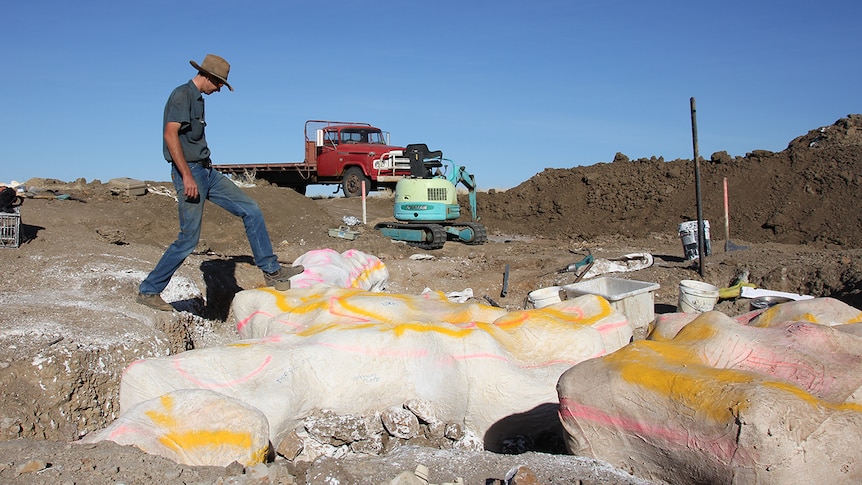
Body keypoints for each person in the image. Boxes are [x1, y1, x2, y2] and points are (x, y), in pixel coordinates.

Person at [137, 54, 302, 311]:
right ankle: (149, 290)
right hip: (189, 172)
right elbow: (170, 135)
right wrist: (187, 176)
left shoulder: (199, 100)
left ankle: (272, 272)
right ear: (209, 77)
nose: (220, 89)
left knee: (251, 209)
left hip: (207, 172)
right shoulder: (182, 95)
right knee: (188, 239)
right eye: (220, 84)